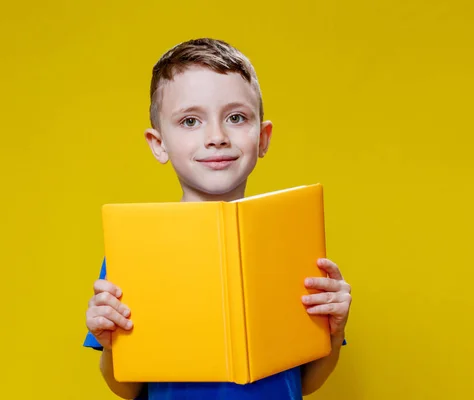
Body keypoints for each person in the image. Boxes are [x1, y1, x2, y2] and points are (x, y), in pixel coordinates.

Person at [83, 38, 352, 400]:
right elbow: (125, 388)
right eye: (190, 120)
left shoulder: (293, 240)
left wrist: (333, 333)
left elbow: (307, 382)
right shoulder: (134, 249)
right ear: (158, 143)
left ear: (263, 137)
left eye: (236, 117)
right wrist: (111, 343)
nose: (216, 137)